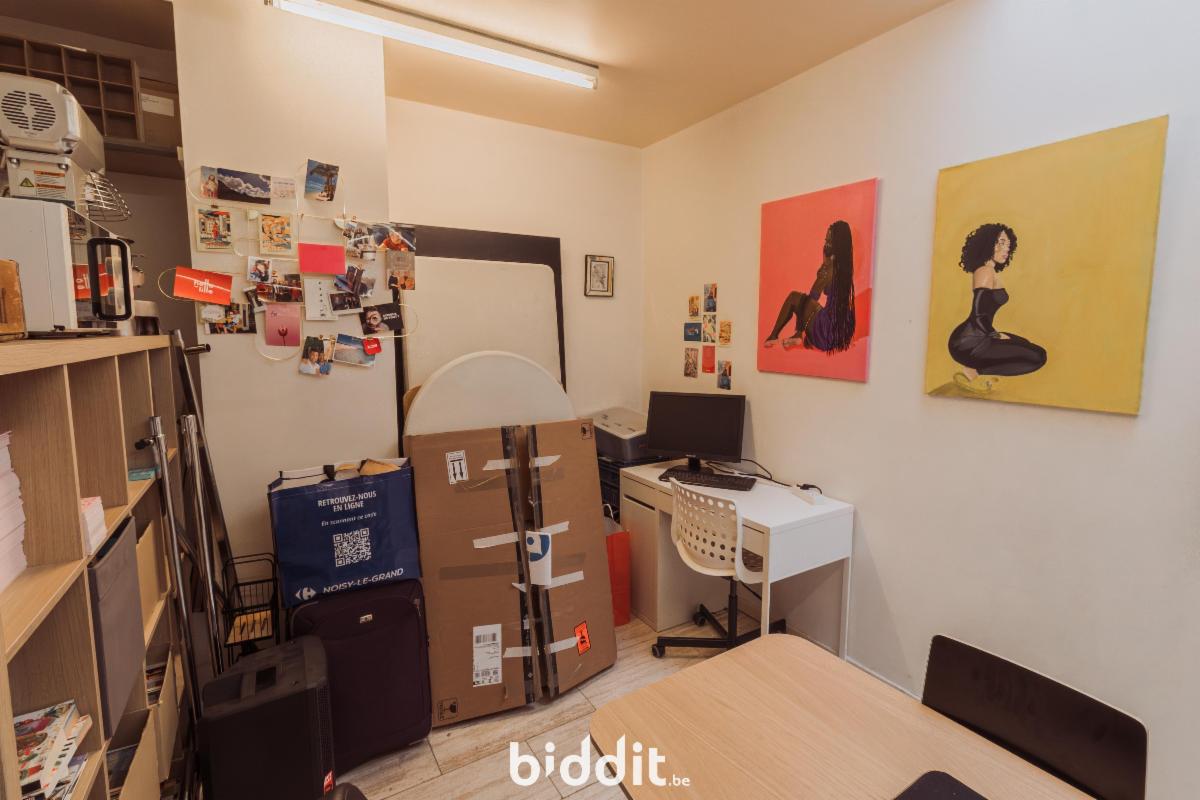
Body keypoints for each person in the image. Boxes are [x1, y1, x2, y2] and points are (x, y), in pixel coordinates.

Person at [946, 223, 1046, 393]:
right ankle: (975, 371)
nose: (1006, 249)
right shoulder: (985, 272)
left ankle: (976, 369)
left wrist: (995, 334)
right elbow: (978, 315)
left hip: (979, 335)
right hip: (970, 342)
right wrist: (995, 335)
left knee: (1025, 345)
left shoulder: (989, 271)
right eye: (1001, 243)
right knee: (1038, 356)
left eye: (1008, 245)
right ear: (987, 244)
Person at [763, 220, 856, 352]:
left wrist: (825, 263)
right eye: (826, 241)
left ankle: (774, 335)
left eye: (829, 242)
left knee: (795, 298)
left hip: (825, 334)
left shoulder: (829, 270)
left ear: (837, 245)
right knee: (810, 305)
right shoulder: (846, 269)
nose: (825, 245)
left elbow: (813, 295)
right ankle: (798, 335)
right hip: (840, 334)